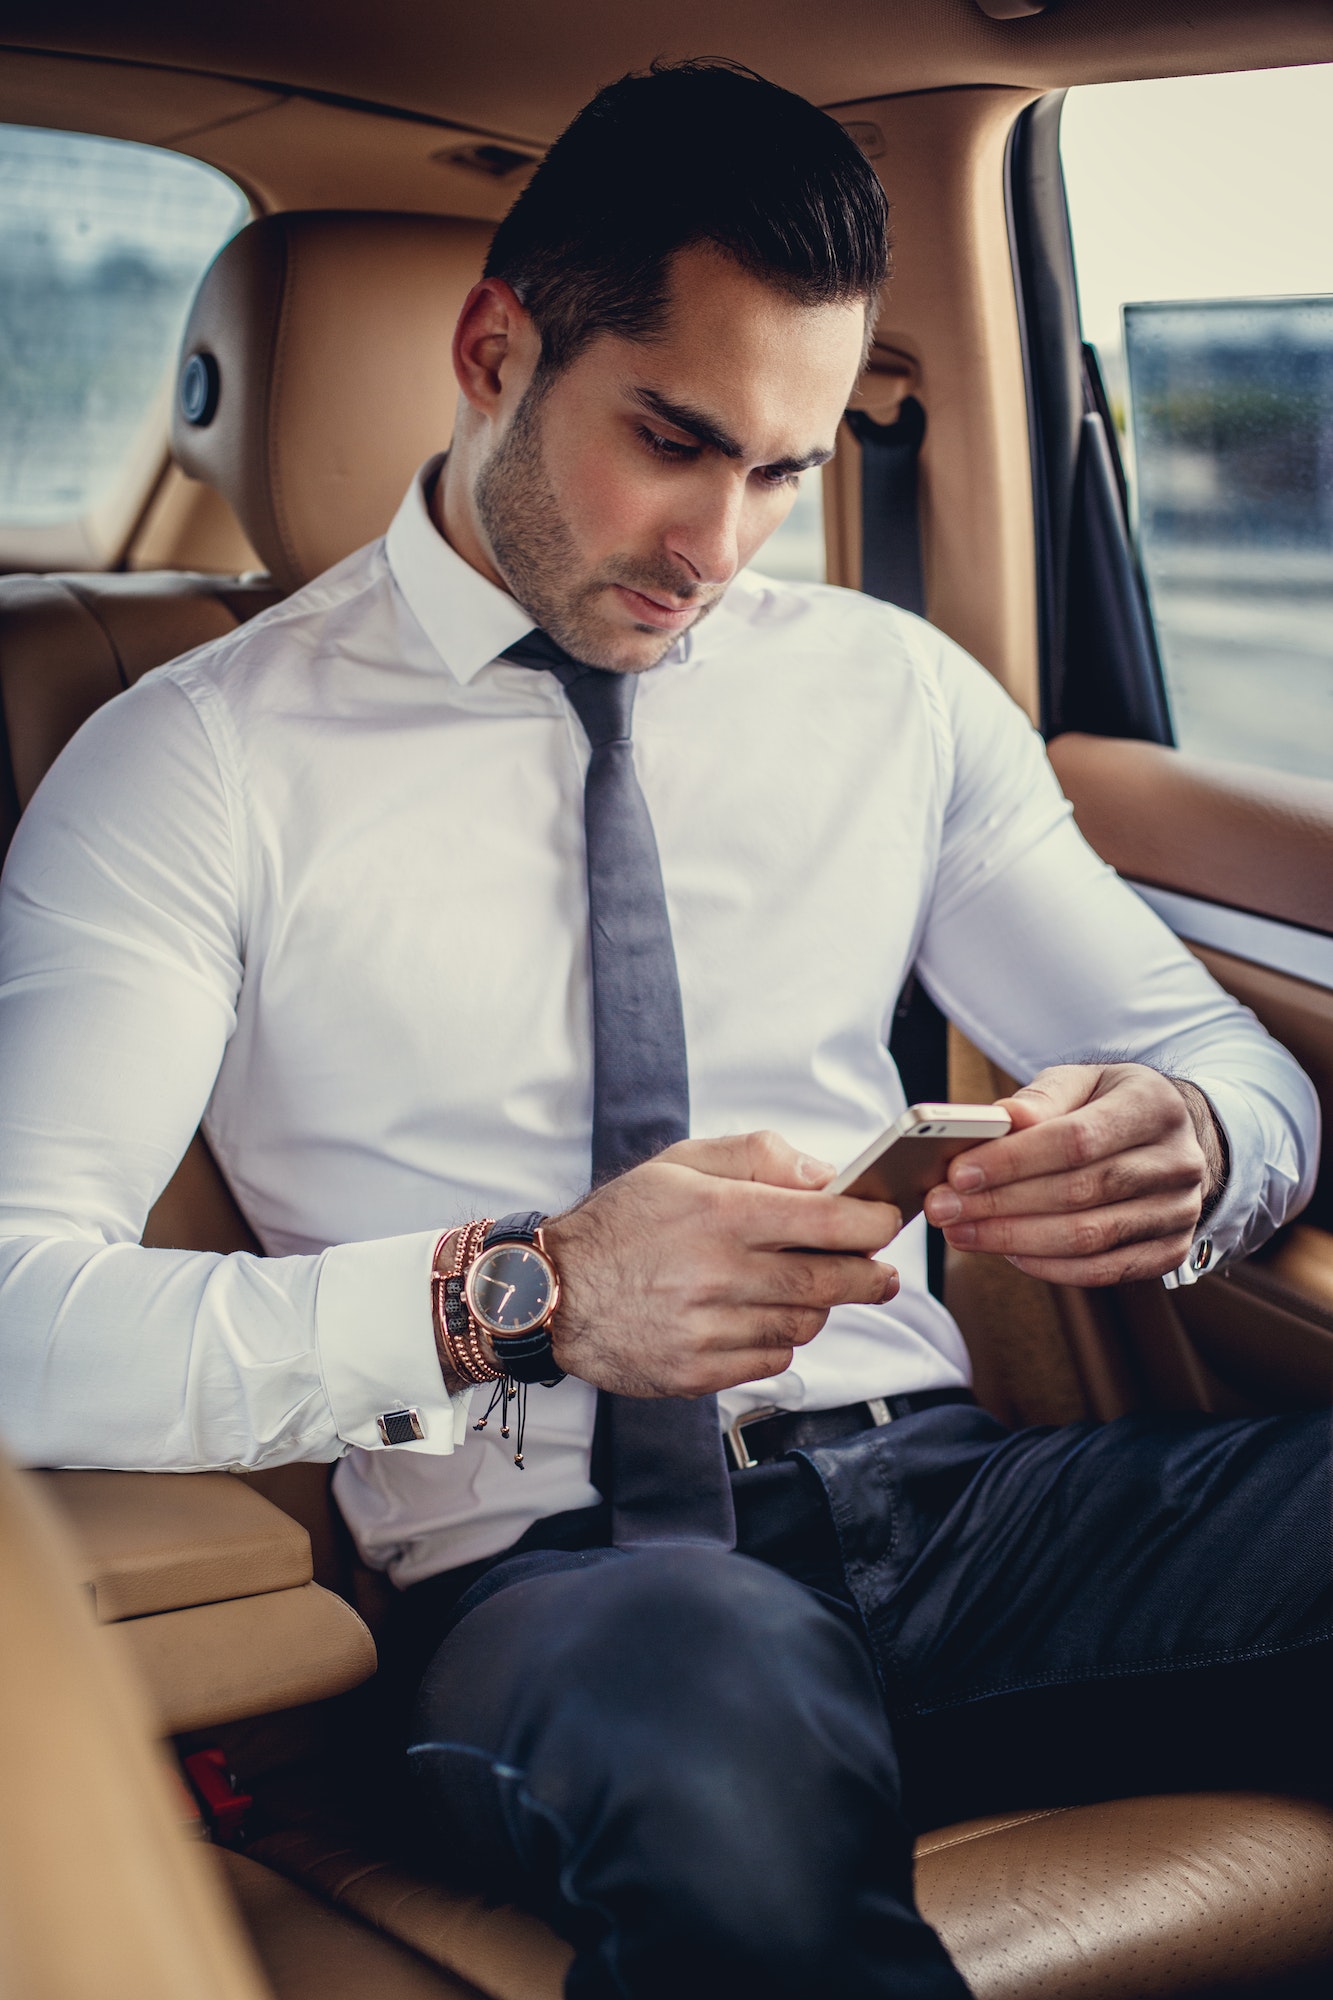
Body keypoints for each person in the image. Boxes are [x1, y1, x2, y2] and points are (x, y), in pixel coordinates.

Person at [0, 58, 1326, 2000]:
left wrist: (1191, 1146)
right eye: (674, 438)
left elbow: (1238, 1072)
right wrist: (517, 1294)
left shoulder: (892, 696)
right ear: (490, 349)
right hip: (559, 1580)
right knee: (712, 1729)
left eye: (785, 469)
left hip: (960, 1506)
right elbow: (21, 1314)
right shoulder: (192, 762)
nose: (726, 543)